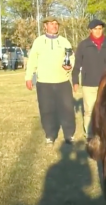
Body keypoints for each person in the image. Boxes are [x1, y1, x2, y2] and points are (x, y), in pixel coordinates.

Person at [25, 16, 76, 145]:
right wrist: (28, 77)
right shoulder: (38, 42)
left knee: (67, 108)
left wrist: (69, 66)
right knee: (46, 109)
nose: (54, 26)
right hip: (44, 83)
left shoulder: (64, 41)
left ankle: (69, 134)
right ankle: (50, 135)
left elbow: (71, 58)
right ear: (45, 26)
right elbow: (32, 61)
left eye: (56, 24)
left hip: (62, 82)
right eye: (51, 24)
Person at [72, 19, 106, 142]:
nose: (98, 31)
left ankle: (104, 133)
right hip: (89, 83)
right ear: (90, 30)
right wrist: (75, 80)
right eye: (95, 29)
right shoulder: (83, 45)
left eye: (100, 29)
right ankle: (90, 134)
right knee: (89, 110)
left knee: (105, 110)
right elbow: (77, 64)